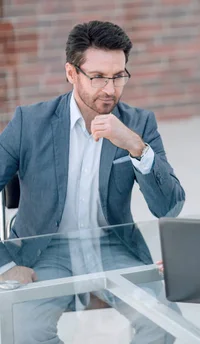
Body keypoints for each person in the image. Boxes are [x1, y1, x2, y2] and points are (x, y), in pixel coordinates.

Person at [0, 20, 185, 343]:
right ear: (71, 73)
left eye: (118, 76)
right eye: (98, 77)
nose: (110, 89)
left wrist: (136, 148)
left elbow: (169, 207)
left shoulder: (139, 123)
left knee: (165, 322)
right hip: (45, 252)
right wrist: (4, 266)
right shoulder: (29, 123)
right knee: (22, 331)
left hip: (115, 246)